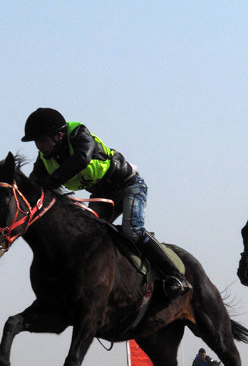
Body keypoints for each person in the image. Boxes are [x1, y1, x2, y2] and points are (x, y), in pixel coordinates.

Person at [21, 108, 191, 299]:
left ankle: (176, 277)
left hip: (129, 186)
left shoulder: (79, 134)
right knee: (85, 235)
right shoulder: (45, 159)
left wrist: (51, 182)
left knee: (132, 229)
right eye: (36, 142)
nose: (38, 146)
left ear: (59, 136)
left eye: (41, 140)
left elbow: (82, 158)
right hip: (104, 196)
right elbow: (33, 186)